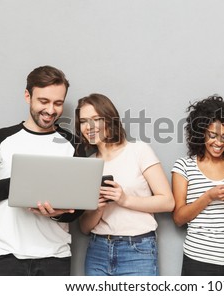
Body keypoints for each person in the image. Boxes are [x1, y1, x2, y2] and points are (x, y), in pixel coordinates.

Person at [0, 65, 85, 276]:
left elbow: (79, 208)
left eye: (58, 103)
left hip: (54, 259)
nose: (50, 110)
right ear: (28, 96)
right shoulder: (1, 139)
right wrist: (20, 183)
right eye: (43, 101)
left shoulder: (73, 144)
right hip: (3, 257)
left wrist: (57, 214)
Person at [75, 93, 175, 276]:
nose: (88, 127)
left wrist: (124, 199)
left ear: (109, 120)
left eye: (96, 119)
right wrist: (97, 209)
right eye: (83, 121)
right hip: (98, 250)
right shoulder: (88, 164)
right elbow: (84, 228)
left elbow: (168, 202)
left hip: (137, 250)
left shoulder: (139, 151)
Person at [171, 95, 224, 276]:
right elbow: (179, 219)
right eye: (213, 136)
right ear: (200, 132)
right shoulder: (184, 166)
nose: (219, 143)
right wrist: (208, 196)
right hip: (198, 258)